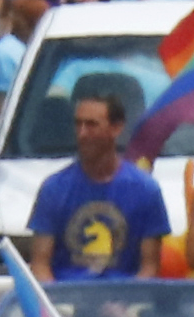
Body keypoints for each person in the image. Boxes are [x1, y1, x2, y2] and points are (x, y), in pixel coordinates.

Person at [20, 90, 177, 282]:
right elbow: (40, 263)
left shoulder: (145, 190)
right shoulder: (53, 188)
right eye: (78, 124)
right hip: (66, 299)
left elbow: (150, 267)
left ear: (116, 128)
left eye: (92, 125)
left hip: (123, 300)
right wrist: (57, 306)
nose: (82, 133)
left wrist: (124, 304)